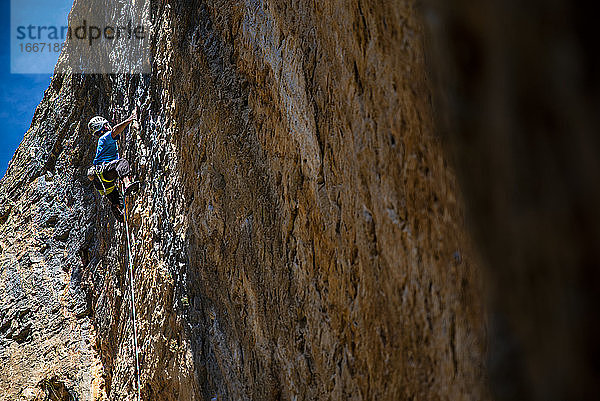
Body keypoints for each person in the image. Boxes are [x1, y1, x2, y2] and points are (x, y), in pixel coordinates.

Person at [87, 109, 140, 221]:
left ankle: (117, 208)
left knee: (115, 197)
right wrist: (130, 119)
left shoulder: (101, 141)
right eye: (106, 125)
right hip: (104, 171)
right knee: (122, 163)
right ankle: (127, 184)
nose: (109, 126)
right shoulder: (104, 137)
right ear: (103, 127)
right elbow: (115, 130)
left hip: (100, 182)